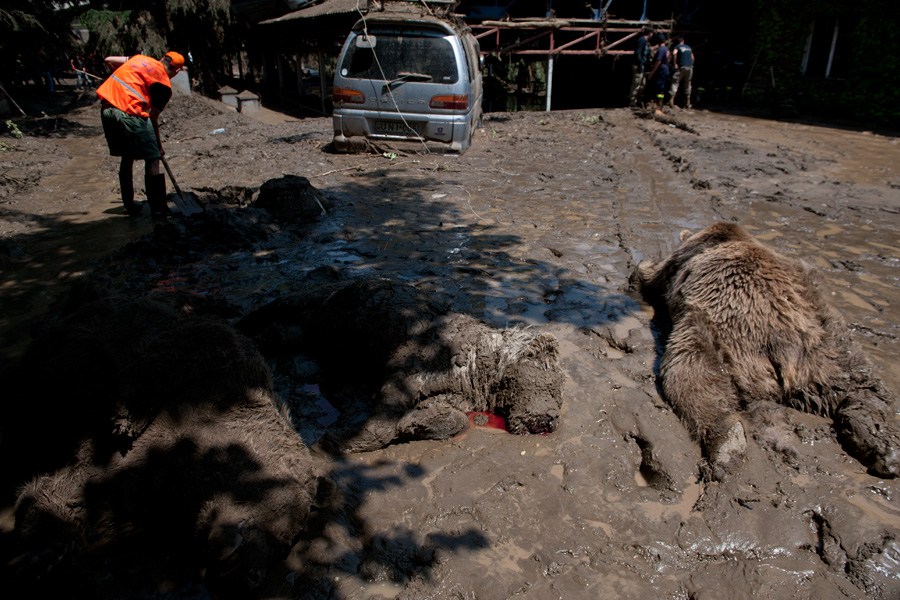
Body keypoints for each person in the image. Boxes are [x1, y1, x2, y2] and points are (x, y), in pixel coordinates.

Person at [96, 51, 185, 218]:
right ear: (178, 70)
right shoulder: (164, 85)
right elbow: (153, 118)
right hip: (129, 113)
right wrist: (158, 147)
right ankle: (158, 210)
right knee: (152, 158)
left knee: (127, 156)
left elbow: (108, 59)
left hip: (107, 109)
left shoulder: (139, 59)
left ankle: (129, 206)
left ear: (162, 59)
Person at [628, 27, 653, 107]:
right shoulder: (642, 40)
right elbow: (638, 52)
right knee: (637, 83)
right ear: (650, 33)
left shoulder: (645, 41)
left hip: (642, 65)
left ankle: (639, 100)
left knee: (642, 83)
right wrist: (640, 63)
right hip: (638, 64)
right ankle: (632, 101)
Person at [645, 32, 670, 110]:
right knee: (661, 86)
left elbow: (658, 61)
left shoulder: (661, 50)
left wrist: (652, 73)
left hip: (661, 69)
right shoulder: (666, 49)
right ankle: (659, 102)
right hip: (665, 68)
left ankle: (659, 103)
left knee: (660, 86)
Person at [668, 36, 695, 108]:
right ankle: (688, 102)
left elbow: (674, 53)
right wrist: (690, 64)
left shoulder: (677, 47)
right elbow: (693, 58)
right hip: (690, 67)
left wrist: (675, 64)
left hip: (682, 67)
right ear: (683, 41)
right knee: (688, 83)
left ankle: (671, 101)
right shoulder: (689, 47)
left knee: (675, 82)